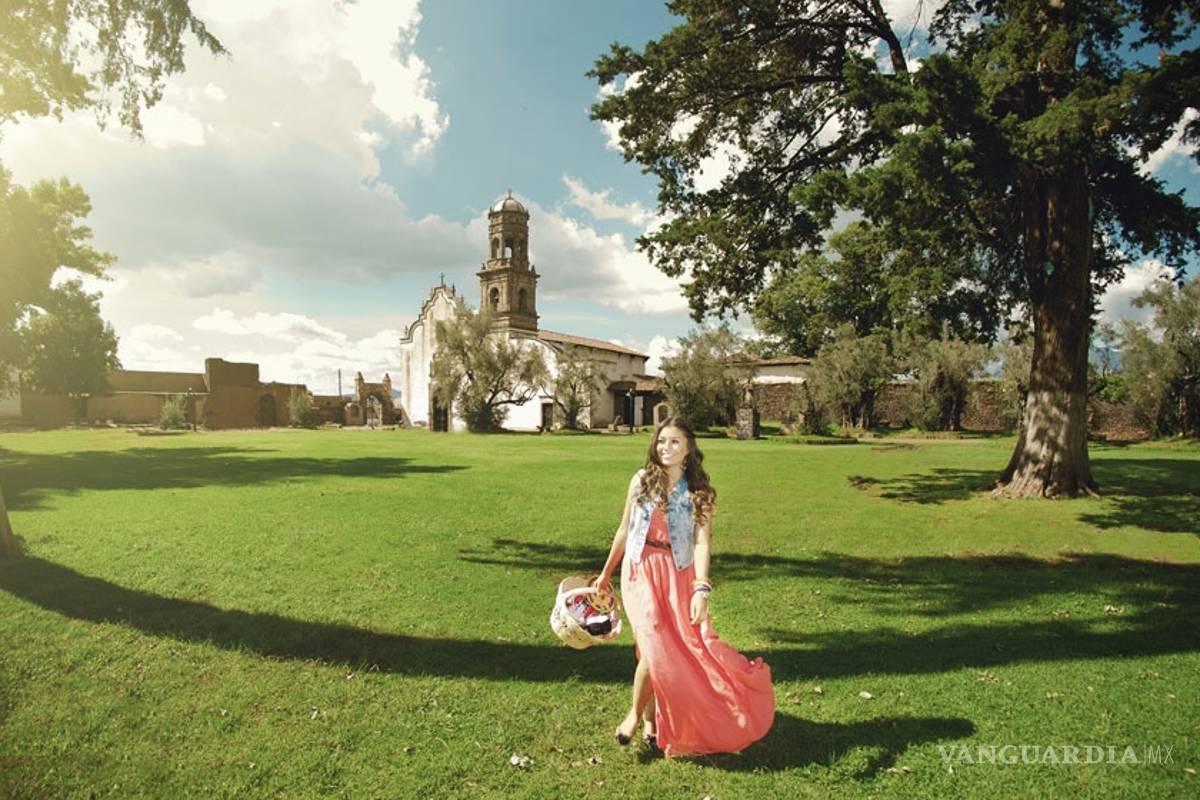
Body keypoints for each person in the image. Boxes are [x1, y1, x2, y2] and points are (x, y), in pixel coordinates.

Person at [592, 417, 775, 757]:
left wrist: (701, 589)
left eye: (675, 442)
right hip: (639, 570)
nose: (666, 448)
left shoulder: (699, 493)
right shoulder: (641, 480)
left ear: (689, 449)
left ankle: (649, 720)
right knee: (653, 642)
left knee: (656, 649)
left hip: (678, 574)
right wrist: (605, 574)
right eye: (662, 441)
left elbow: (702, 543)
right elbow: (623, 529)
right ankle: (635, 714)